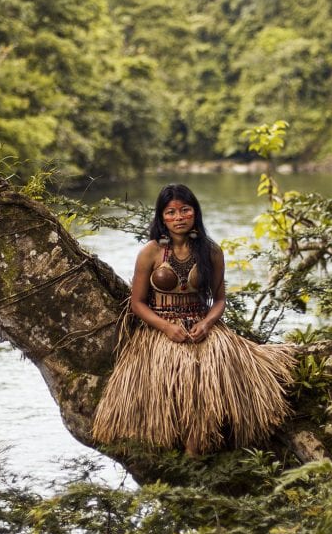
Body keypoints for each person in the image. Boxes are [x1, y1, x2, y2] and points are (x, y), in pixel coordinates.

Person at [92, 184, 297, 455]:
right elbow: (137, 303)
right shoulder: (150, 252)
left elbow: (220, 300)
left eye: (185, 210)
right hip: (160, 333)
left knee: (206, 379)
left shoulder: (211, 251)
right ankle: (171, 440)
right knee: (176, 383)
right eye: (171, 212)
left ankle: (202, 444)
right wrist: (166, 327)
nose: (179, 217)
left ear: (195, 213)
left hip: (203, 327)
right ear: (162, 218)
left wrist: (207, 323)